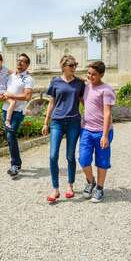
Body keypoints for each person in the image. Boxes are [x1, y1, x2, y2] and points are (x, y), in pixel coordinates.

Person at [42, 55, 85, 203]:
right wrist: (46, 122)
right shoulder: (55, 81)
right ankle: (55, 189)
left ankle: (70, 185)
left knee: (70, 156)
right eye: (71, 65)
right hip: (57, 122)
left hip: (74, 122)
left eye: (75, 65)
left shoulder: (80, 83)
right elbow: (51, 102)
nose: (74, 68)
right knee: (53, 156)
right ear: (64, 66)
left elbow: (84, 101)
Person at [79, 60, 116, 203]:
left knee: (102, 161)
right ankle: (90, 181)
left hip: (102, 131)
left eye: (93, 74)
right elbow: (85, 101)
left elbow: (107, 113)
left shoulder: (106, 90)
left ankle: (99, 188)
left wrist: (105, 135)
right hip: (86, 129)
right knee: (83, 159)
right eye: (88, 73)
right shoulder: (87, 87)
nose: (90, 76)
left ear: (101, 74)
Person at [0, 53, 34, 177]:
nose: (19, 63)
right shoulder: (11, 76)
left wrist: (10, 96)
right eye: (18, 60)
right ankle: (17, 163)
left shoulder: (28, 79)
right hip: (6, 109)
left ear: (27, 64)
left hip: (18, 112)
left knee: (10, 135)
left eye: (23, 61)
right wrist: (2, 96)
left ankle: (15, 165)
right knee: (10, 137)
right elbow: (5, 92)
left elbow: (27, 96)